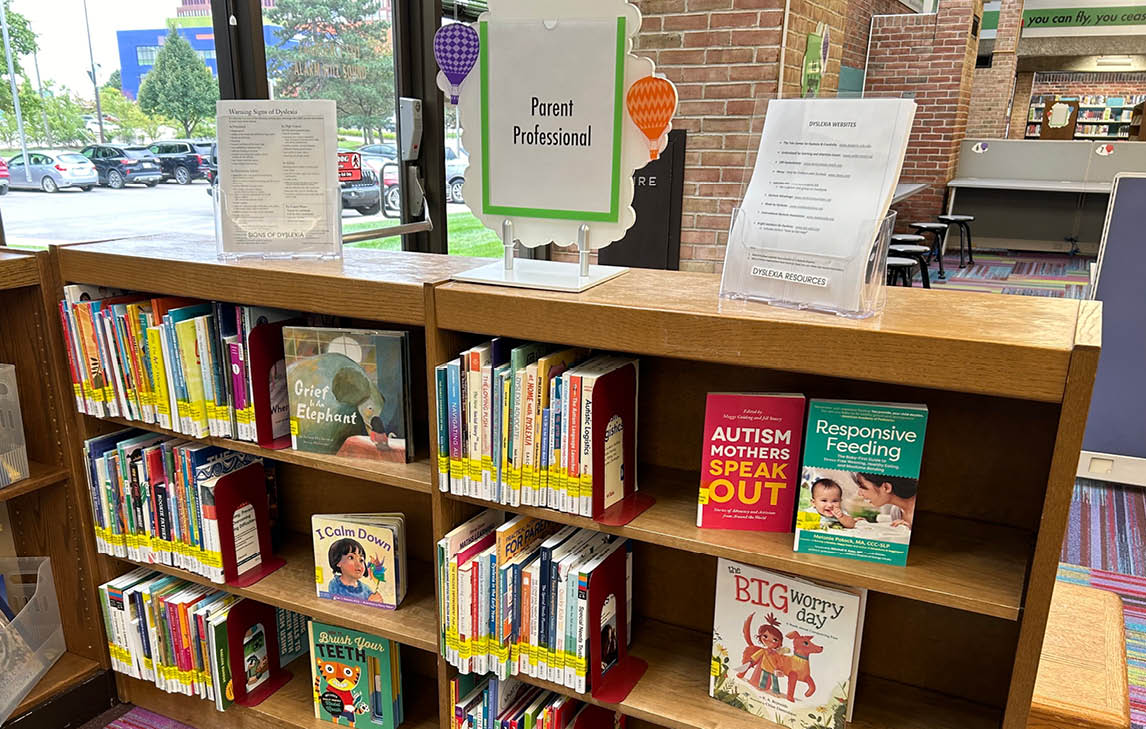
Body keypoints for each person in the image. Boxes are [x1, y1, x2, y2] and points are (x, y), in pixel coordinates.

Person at [852, 472, 918, 528]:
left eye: (863, 487)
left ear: (887, 487)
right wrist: (865, 524)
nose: (859, 493)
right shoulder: (896, 512)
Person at [326, 537, 382, 602]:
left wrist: (376, 602)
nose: (358, 564)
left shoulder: (366, 590)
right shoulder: (335, 585)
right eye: (351, 557)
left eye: (361, 560)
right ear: (338, 562)